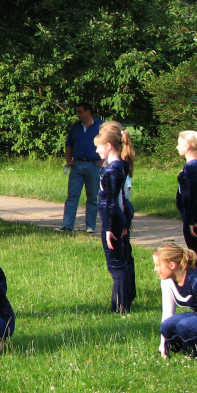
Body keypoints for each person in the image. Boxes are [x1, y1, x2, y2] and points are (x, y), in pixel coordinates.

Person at [93, 121, 135, 313]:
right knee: (120, 260)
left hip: (112, 218)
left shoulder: (111, 170)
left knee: (115, 263)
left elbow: (110, 201)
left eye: (98, 147)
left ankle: (120, 305)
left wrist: (109, 228)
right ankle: (122, 302)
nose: (96, 151)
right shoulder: (120, 166)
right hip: (117, 217)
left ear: (109, 146)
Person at [56, 102, 103, 233]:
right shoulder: (76, 127)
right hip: (77, 164)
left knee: (93, 196)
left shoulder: (100, 126)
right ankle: (67, 225)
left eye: (80, 112)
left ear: (88, 112)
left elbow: (108, 142)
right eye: (77, 112)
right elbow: (69, 144)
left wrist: (103, 160)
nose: (78, 114)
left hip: (94, 164)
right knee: (72, 195)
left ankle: (90, 226)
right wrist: (68, 160)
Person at [175, 131, 197, 272]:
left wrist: (190, 220)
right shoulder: (191, 166)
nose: (177, 147)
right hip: (192, 215)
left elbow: (191, 196)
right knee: (196, 255)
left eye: (179, 144)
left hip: (194, 218)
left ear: (187, 146)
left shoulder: (192, 167)